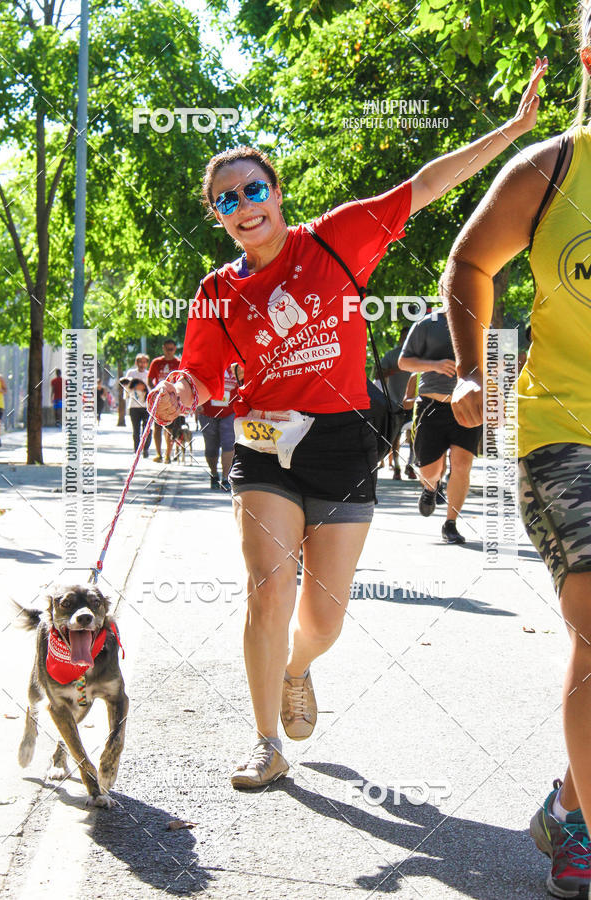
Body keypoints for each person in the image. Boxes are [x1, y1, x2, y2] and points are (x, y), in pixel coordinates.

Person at [152, 60, 546, 790]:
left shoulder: (334, 240)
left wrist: (511, 132)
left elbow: (425, 184)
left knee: (324, 620)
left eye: (255, 189)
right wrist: (179, 389)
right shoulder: (215, 291)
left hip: (341, 442)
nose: (244, 205)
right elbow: (202, 377)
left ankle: (298, 665)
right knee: (267, 588)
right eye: (227, 199)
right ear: (217, 215)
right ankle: (267, 741)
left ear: (277, 194)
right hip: (264, 446)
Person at [444, 11, 591, 895]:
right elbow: (469, 262)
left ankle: (571, 805)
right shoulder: (554, 168)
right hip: (562, 429)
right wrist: (469, 369)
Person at [398, 307, 480, 543]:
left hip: (466, 404)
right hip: (431, 405)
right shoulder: (426, 324)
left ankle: (450, 524)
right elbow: (404, 362)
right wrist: (434, 365)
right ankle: (431, 487)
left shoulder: (479, 321)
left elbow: (492, 362)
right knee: (429, 471)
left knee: (462, 465)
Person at [197, 365, 238, 490]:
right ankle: (214, 474)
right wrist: (197, 403)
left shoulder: (237, 363)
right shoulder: (209, 362)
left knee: (229, 444)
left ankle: (226, 478)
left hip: (230, 412)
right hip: (207, 412)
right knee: (211, 447)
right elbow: (196, 382)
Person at [381, 326, 411, 478]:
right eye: (404, 338)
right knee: (396, 437)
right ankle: (397, 467)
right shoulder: (391, 355)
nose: (406, 341)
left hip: (413, 401)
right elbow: (380, 373)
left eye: (409, 338)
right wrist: (395, 370)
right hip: (394, 402)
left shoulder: (417, 356)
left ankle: (411, 465)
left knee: (415, 436)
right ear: (400, 339)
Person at [148, 340, 181, 463]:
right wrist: (154, 392)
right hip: (159, 399)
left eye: (171, 349)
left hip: (173, 400)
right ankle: (158, 454)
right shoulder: (156, 362)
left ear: (175, 349)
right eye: (167, 349)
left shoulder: (179, 363)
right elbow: (150, 379)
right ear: (163, 348)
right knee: (157, 427)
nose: (169, 351)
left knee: (170, 428)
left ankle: (168, 455)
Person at [123, 354, 151, 457]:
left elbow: (151, 388)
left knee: (147, 429)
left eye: (144, 362)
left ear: (147, 363)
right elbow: (126, 387)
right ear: (136, 363)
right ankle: (137, 450)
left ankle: (146, 449)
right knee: (136, 429)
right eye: (140, 362)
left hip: (146, 406)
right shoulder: (131, 373)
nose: (142, 364)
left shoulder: (149, 374)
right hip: (134, 406)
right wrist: (135, 388)